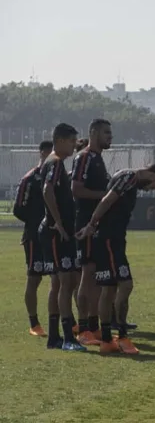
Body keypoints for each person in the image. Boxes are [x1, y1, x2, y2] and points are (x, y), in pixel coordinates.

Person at [76, 164, 155, 354]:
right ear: (154, 174)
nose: (149, 189)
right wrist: (91, 225)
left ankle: (108, 339)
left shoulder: (129, 180)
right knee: (124, 285)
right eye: (153, 185)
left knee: (109, 288)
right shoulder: (129, 178)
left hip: (113, 239)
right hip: (109, 239)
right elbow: (107, 200)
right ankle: (121, 336)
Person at [39, 123, 84, 351]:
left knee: (57, 283)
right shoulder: (55, 162)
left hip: (54, 232)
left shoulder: (53, 163)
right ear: (61, 140)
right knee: (66, 283)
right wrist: (58, 221)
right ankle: (67, 338)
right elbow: (47, 191)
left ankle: (54, 337)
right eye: (72, 141)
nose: (74, 146)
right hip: (57, 233)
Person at [70, 119, 112, 346]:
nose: (110, 137)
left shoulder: (98, 159)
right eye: (106, 132)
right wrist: (106, 196)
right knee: (87, 274)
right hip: (85, 223)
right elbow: (76, 189)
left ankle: (94, 327)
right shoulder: (84, 157)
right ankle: (83, 328)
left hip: (97, 224)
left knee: (95, 276)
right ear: (94, 132)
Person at [13, 141, 54, 337]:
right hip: (34, 237)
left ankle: (64, 321)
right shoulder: (29, 179)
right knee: (34, 278)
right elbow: (18, 209)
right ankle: (34, 323)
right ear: (42, 153)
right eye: (47, 153)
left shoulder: (59, 177)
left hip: (54, 236)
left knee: (61, 279)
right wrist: (37, 223)